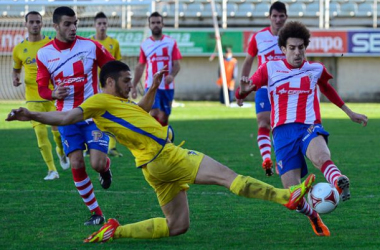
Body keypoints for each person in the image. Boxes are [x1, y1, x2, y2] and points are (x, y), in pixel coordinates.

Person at [7, 60, 315, 243]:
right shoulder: (99, 101)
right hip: (167, 156)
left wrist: (152, 87)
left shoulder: (119, 103)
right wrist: (31, 114)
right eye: (127, 81)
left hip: (153, 169)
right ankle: (287, 197)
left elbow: (139, 111)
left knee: (177, 226)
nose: (131, 85)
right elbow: (67, 117)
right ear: (110, 82)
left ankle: (115, 231)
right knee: (228, 178)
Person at [236, 21, 368, 237]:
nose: (297, 53)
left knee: (320, 155)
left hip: (309, 126)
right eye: (292, 48)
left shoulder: (315, 69)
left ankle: (339, 182)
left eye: (301, 48)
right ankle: (313, 216)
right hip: (281, 134)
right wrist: (242, 91)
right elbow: (244, 90)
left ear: (306, 47)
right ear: (282, 49)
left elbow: (327, 89)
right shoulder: (269, 68)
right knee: (293, 196)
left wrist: (350, 112)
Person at [35, 6, 115, 225]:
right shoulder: (44, 53)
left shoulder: (91, 46)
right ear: (56, 26)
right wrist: (52, 93)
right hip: (67, 117)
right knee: (77, 162)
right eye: (67, 24)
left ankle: (105, 169)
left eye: (75, 23)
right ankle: (96, 213)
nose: (73, 28)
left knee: (97, 163)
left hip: (93, 115)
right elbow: (42, 87)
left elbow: (112, 68)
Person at [12, 11, 70, 180]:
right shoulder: (19, 49)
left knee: (58, 133)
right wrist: (15, 77)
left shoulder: (51, 45)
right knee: (40, 134)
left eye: (38, 21)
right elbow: (16, 69)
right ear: (26, 24)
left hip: (52, 95)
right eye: (32, 22)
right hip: (32, 98)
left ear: (42, 24)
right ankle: (52, 170)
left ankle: (61, 151)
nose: (35, 24)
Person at [240, 1, 288, 176]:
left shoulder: (290, 38)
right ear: (269, 17)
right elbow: (248, 61)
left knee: (281, 127)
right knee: (263, 122)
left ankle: (281, 160)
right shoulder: (258, 37)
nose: (277, 19)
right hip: (263, 87)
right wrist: (242, 89)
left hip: (285, 89)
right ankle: (266, 159)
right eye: (274, 16)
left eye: (281, 16)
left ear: (286, 17)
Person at [131, 11, 181, 126]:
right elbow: (140, 66)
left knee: (164, 117)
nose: (156, 25)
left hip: (167, 86)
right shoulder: (145, 44)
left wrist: (171, 75)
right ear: (149, 25)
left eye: (158, 22)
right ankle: (155, 141)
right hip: (151, 85)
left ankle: (164, 140)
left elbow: (177, 64)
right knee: (154, 112)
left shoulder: (171, 42)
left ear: (162, 24)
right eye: (153, 23)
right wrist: (134, 86)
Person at [91, 11, 123, 158]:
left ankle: (112, 147)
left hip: (109, 86)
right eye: (99, 23)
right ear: (94, 25)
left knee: (112, 114)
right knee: (91, 116)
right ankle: (90, 145)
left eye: (104, 23)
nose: (102, 26)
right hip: (92, 85)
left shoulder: (113, 43)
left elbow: (118, 65)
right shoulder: (89, 43)